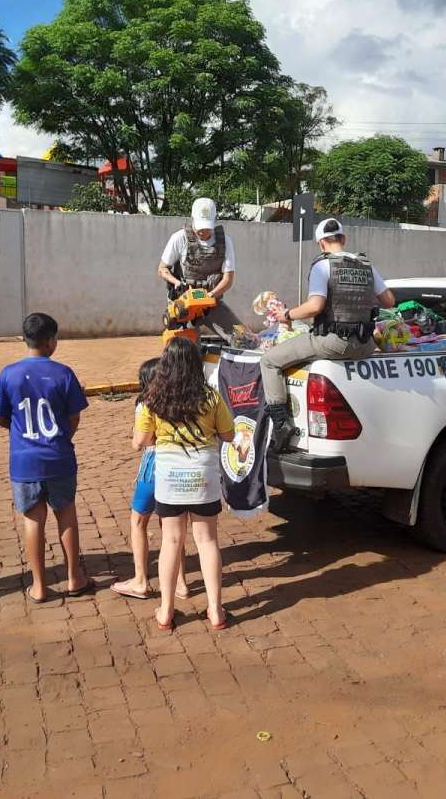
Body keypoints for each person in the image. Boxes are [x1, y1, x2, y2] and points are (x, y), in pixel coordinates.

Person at [261, 218, 396, 449]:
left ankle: (281, 424)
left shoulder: (322, 266)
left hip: (333, 342)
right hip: (365, 344)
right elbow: (390, 301)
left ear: (321, 244)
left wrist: (288, 314)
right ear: (344, 239)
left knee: (270, 361)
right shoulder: (366, 266)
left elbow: (315, 306)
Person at [133, 338, 235, 631]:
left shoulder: (153, 398)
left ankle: (166, 611)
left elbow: (140, 442)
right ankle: (215, 610)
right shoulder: (211, 396)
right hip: (203, 475)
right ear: (195, 364)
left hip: (169, 478)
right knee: (207, 541)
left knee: (171, 542)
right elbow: (228, 435)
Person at [0, 313, 93, 603]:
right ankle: (75, 578)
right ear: (50, 341)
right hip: (59, 456)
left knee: (33, 520)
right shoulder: (63, 373)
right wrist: (62, 436)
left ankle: (39, 586)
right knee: (66, 515)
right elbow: (74, 416)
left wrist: (21, 430)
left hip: (25, 460)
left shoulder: (8, 373)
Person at [111, 358, 190, 602]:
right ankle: (182, 582)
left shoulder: (147, 404)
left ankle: (141, 580)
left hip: (154, 465)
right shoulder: (182, 401)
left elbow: (139, 442)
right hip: (179, 464)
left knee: (138, 522)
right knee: (173, 526)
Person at [157, 197, 243, 338]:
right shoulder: (179, 238)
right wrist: (177, 283)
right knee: (187, 351)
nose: (203, 232)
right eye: (200, 227)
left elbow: (228, 279)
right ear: (193, 219)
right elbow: (162, 269)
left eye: (207, 227)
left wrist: (208, 297)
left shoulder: (225, 242)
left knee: (242, 338)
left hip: (211, 303)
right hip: (183, 306)